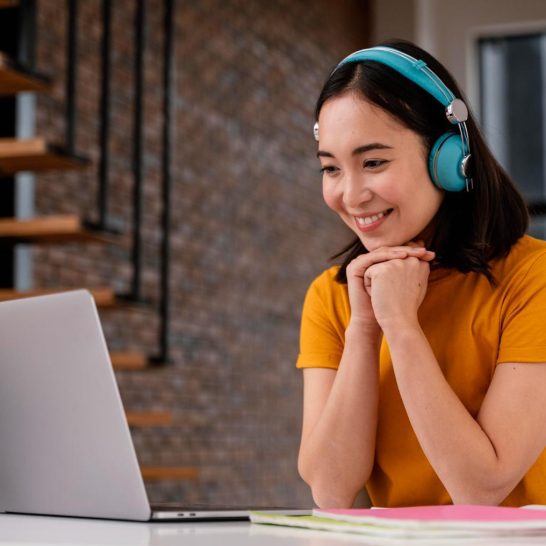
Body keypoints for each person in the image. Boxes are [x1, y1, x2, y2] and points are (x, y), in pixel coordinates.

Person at [296, 39, 546, 509]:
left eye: (373, 162)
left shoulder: (534, 279)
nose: (350, 195)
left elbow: (482, 487)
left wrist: (403, 327)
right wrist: (366, 327)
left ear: (451, 159)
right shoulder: (331, 297)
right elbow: (330, 489)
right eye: (331, 168)